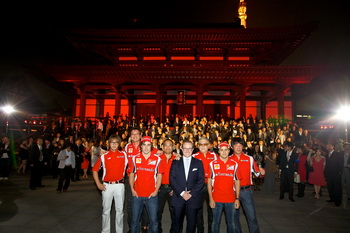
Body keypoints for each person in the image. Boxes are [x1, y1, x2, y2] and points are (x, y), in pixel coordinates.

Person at [92, 134, 128, 233]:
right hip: (107, 186)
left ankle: (119, 231)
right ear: (108, 143)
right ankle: (105, 231)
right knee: (106, 211)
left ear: (119, 144)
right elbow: (94, 170)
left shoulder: (124, 155)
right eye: (112, 142)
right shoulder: (104, 156)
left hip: (119, 185)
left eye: (116, 142)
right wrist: (98, 184)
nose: (114, 145)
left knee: (120, 211)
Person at [170, 140, 204, 233]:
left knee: (191, 225)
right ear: (181, 149)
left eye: (189, 148)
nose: (187, 150)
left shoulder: (198, 163)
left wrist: (191, 193)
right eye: (185, 148)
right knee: (177, 225)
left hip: (192, 198)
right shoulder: (175, 162)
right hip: (178, 197)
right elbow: (172, 179)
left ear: (193, 149)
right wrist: (182, 193)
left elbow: (201, 181)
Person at [231, 137, 265, 233]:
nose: (238, 147)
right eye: (236, 145)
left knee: (252, 217)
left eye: (240, 145)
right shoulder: (228, 160)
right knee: (234, 217)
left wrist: (262, 172)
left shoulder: (249, 159)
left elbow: (257, 173)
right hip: (232, 192)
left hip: (246, 191)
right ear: (232, 147)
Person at [129, 136, 162, 233]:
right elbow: (131, 175)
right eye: (144, 145)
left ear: (151, 146)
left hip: (151, 196)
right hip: (137, 195)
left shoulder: (157, 159)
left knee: (154, 222)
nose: (146, 147)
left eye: (148, 145)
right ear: (141, 146)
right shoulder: (135, 158)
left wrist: (156, 191)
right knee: (135, 221)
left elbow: (159, 176)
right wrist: (132, 189)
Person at [208, 142, 240, 233]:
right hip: (216, 199)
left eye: (226, 150)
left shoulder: (234, 164)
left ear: (229, 151)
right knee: (215, 223)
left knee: (231, 224)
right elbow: (209, 182)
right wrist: (211, 199)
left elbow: (237, 181)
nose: (224, 152)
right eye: (222, 150)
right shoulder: (212, 164)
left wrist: (237, 198)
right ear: (218, 151)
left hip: (231, 199)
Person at [192, 137, 217, 233]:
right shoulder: (193, 156)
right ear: (197, 146)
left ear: (209, 145)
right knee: (198, 211)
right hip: (198, 187)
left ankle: (211, 230)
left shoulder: (214, 156)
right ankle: (200, 230)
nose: (203, 146)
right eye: (200, 144)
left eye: (205, 144)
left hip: (211, 186)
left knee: (212, 210)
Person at [158, 139, 176, 233]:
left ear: (173, 147)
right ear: (162, 147)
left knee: (174, 212)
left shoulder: (177, 159)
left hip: (172, 189)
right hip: (160, 188)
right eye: (166, 145)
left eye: (170, 145)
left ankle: (173, 230)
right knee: (158, 212)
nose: (168, 147)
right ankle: (158, 230)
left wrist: (176, 188)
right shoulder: (157, 158)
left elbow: (179, 176)